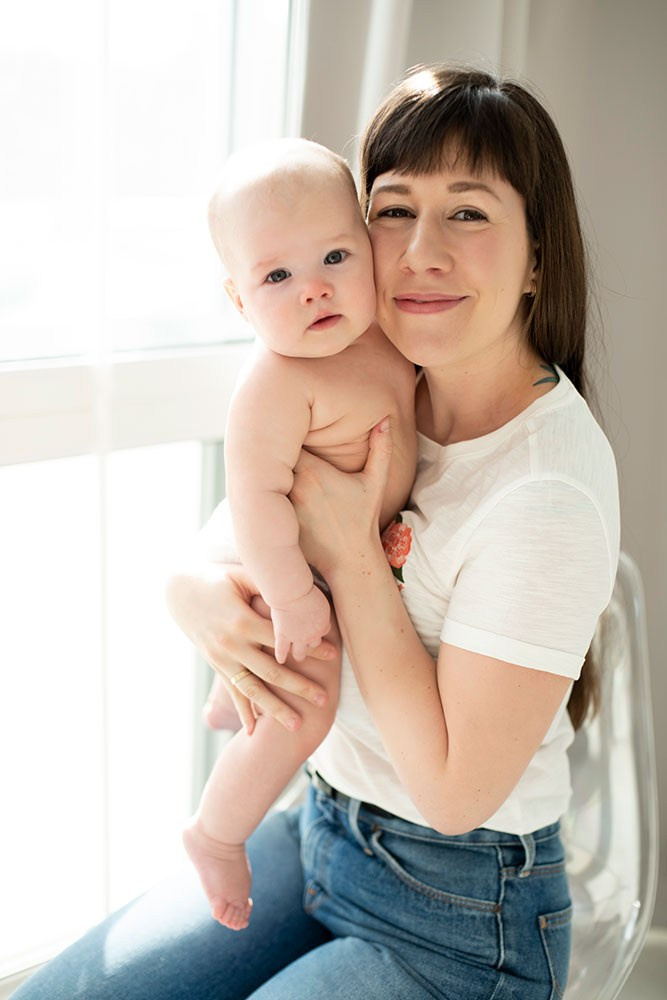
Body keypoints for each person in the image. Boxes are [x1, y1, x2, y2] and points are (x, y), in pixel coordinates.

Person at [14, 64, 619, 1000]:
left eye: (466, 212)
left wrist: (347, 556)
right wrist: (193, 593)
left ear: (536, 255)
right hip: (321, 825)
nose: (420, 251)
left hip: (459, 920)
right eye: (391, 210)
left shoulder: (547, 490)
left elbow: (456, 795)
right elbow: (249, 510)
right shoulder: (383, 370)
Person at [183, 138, 417, 930]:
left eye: (335, 256)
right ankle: (216, 833)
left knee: (278, 687)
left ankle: (225, 701)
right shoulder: (275, 384)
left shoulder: (384, 336)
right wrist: (288, 594)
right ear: (239, 301)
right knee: (303, 708)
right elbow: (251, 497)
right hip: (279, 565)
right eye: (277, 276)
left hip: (319, 554)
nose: (313, 289)